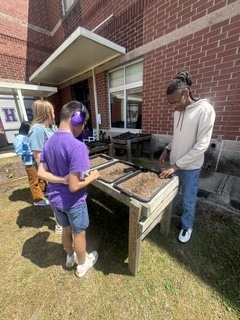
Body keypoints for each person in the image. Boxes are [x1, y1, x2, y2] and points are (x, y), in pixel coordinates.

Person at [38, 100, 99, 278]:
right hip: (74, 202)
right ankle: (82, 265)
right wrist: (92, 177)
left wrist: (61, 180)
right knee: (79, 233)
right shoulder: (77, 146)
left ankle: (70, 257)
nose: (84, 127)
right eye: (85, 123)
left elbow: (41, 172)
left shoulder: (49, 142)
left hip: (55, 200)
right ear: (77, 119)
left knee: (65, 229)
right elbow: (74, 186)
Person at [159, 69, 216, 243]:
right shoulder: (178, 113)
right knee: (172, 195)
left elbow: (202, 145)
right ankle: (167, 218)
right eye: (170, 103)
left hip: (190, 167)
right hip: (174, 164)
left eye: (175, 102)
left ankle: (187, 226)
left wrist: (176, 166)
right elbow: (178, 136)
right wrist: (167, 148)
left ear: (186, 92)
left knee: (188, 199)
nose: (173, 106)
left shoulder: (205, 110)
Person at [28, 100, 62, 234]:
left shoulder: (52, 127)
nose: (54, 113)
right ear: (45, 112)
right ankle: (59, 224)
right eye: (52, 111)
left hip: (59, 168)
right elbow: (38, 156)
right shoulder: (37, 130)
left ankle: (63, 219)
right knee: (56, 196)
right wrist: (48, 176)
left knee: (62, 195)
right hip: (51, 172)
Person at [13, 121, 49, 206]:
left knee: (41, 177)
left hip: (36, 160)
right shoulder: (18, 138)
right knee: (34, 180)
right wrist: (30, 153)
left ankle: (43, 193)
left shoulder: (29, 136)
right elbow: (18, 151)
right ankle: (38, 200)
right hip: (29, 162)